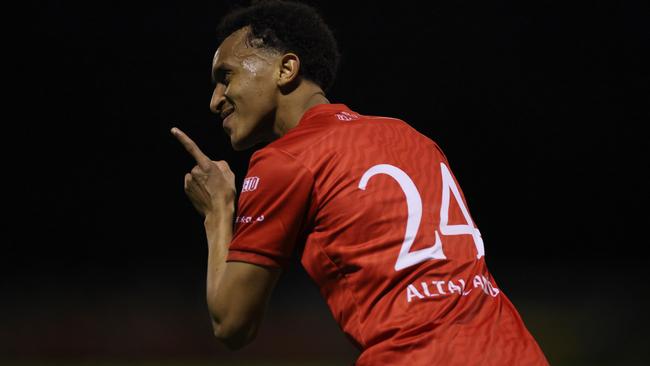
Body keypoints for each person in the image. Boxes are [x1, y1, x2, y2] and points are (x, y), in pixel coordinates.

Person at [171, 1, 549, 364]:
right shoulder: (412, 137)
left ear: (286, 69)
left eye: (226, 77)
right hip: (515, 350)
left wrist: (218, 210)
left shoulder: (286, 160)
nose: (215, 100)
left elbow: (231, 324)